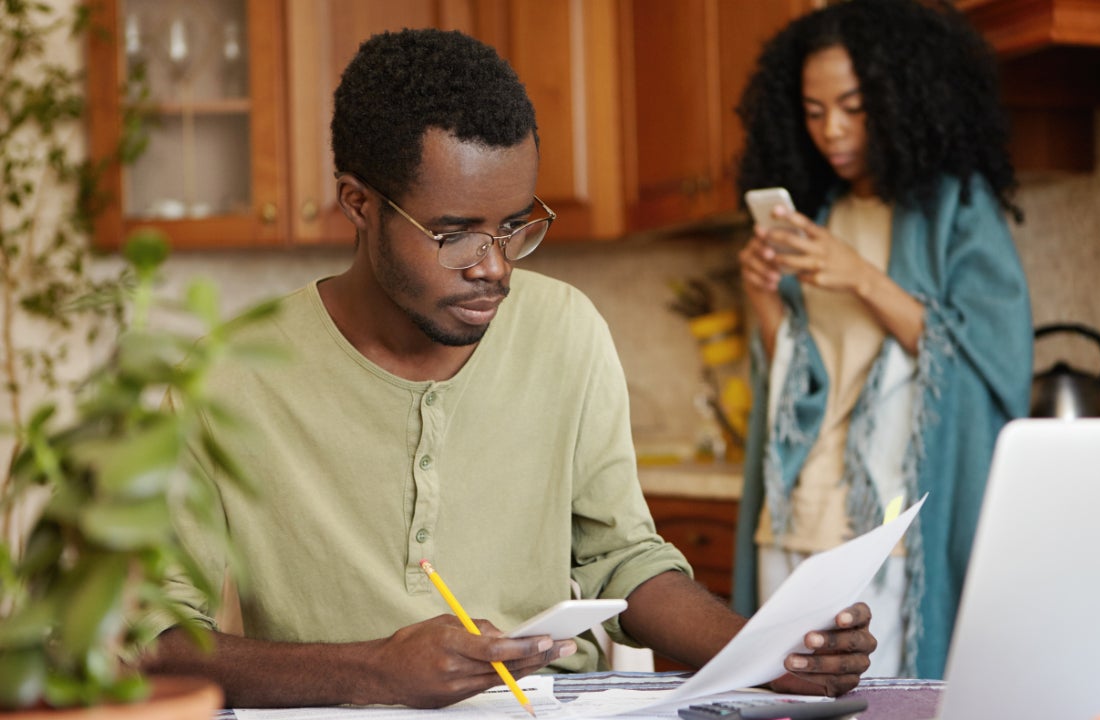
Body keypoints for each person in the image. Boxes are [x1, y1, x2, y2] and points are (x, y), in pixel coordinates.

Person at [141, 28, 877, 709]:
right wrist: (375, 670)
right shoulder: (228, 375)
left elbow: (622, 558)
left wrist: (767, 650)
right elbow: (157, 641)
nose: (494, 269)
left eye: (515, 226)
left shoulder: (566, 330)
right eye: (456, 234)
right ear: (358, 205)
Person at [730, 0, 1033, 680]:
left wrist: (861, 276)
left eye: (853, 105)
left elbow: (997, 360)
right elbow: (800, 381)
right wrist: (762, 300)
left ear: (900, 98)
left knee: (879, 702)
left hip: (889, 532)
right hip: (792, 516)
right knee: (782, 700)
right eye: (812, 111)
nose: (831, 130)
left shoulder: (953, 206)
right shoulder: (822, 213)